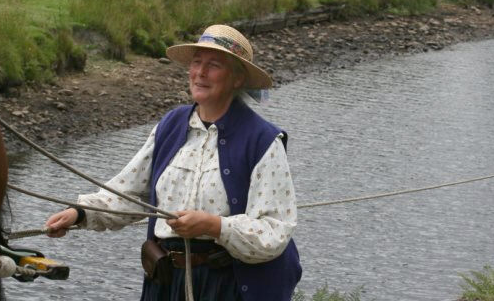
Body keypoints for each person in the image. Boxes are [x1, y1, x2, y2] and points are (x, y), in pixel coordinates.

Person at [45, 24, 302, 301]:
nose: (200, 73)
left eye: (213, 65)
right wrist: (80, 213)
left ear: (238, 79)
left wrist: (214, 226)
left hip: (226, 286)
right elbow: (131, 194)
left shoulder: (262, 141)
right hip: (166, 283)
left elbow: (275, 231)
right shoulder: (170, 125)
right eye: (196, 62)